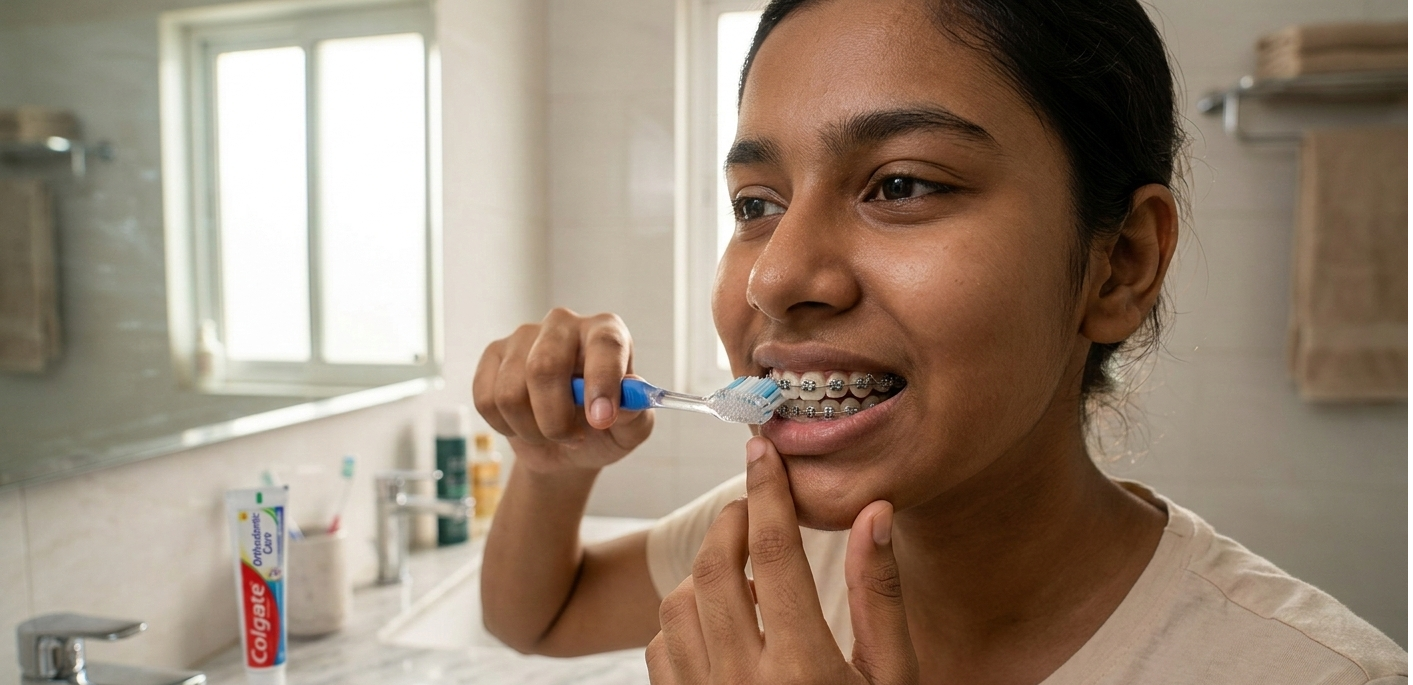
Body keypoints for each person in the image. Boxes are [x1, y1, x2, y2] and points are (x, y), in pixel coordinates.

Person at [472, 0, 1408, 682]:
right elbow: (537, 615)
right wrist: (554, 467)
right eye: (756, 204)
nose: (775, 277)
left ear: (1118, 264)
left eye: (902, 184)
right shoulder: (769, 550)